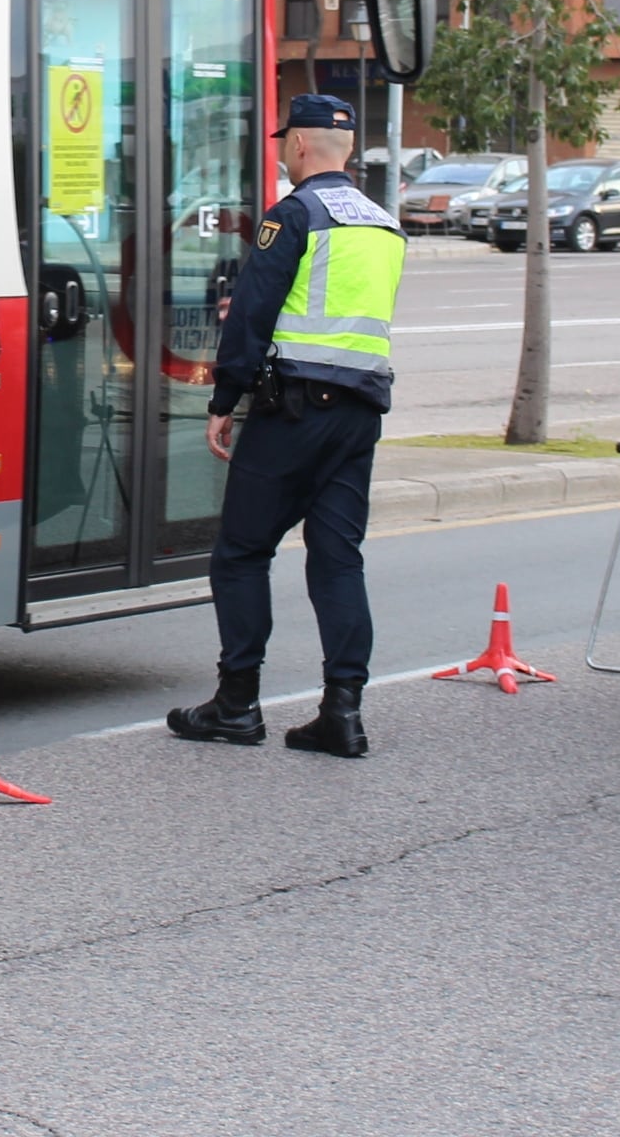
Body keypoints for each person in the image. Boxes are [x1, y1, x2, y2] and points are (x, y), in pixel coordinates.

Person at [168, 93, 406, 758]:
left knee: (241, 552)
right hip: (360, 414)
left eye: (281, 141)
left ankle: (236, 704)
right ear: (347, 149)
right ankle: (342, 712)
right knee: (337, 559)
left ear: (298, 146)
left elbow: (250, 314)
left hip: (295, 409)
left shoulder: (294, 215)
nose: (278, 151)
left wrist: (224, 401)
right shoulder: (385, 226)